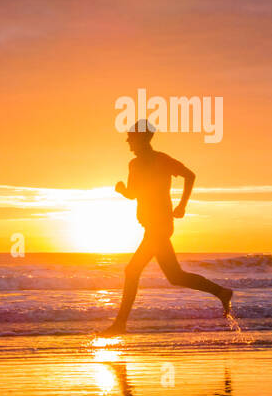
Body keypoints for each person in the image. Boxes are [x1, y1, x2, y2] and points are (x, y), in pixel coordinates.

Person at [98, 123, 232, 335]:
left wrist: (182, 205)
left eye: (130, 137)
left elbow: (190, 175)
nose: (127, 141)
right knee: (175, 276)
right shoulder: (135, 164)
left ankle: (120, 325)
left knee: (132, 270)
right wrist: (124, 190)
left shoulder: (161, 160)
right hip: (152, 226)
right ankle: (222, 292)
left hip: (158, 226)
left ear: (142, 139)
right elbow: (134, 193)